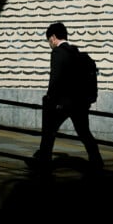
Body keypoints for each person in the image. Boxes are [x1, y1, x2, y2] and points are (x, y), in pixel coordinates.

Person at [27, 21, 104, 175]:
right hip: (80, 103)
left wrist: (50, 98)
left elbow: (55, 79)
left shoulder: (57, 53)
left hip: (63, 103)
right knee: (84, 132)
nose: (50, 44)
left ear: (53, 37)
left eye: (49, 41)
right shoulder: (76, 52)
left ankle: (44, 161)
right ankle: (97, 160)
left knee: (49, 131)